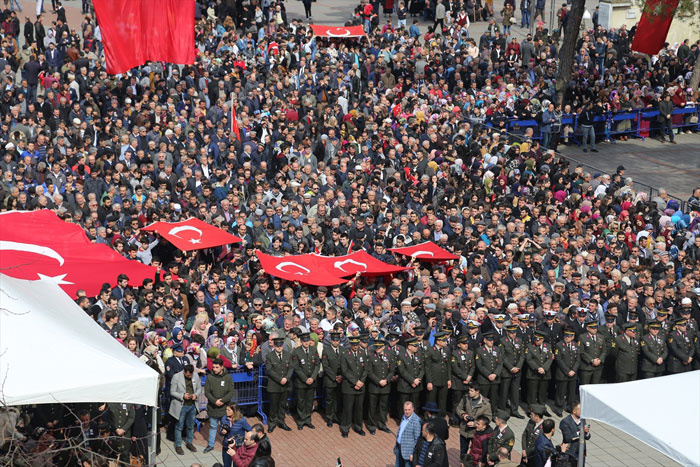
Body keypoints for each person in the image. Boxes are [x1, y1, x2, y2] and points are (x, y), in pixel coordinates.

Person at [203, 358, 237, 453]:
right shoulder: (209, 377)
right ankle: (210, 444)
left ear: (222, 367)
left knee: (225, 426)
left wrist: (222, 401)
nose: (214, 369)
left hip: (224, 408)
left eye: (217, 367)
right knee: (213, 426)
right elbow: (207, 392)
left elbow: (231, 391)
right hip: (213, 407)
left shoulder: (228, 377)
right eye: (213, 367)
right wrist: (215, 401)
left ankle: (227, 443)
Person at [291, 326, 320, 430]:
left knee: (309, 401)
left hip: (312, 381)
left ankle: (308, 420)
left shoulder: (313, 349)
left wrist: (312, 377)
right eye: (304, 341)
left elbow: (317, 364)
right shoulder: (297, 351)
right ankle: (301, 420)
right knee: (301, 402)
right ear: (301, 341)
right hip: (301, 381)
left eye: (308, 340)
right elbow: (296, 367)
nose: (306, 343)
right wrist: (305, 379)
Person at [169, 364, 202, 455]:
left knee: (191, 426)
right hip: (181, 405)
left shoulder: (195, 375)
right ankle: (178, 445)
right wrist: (182, 396)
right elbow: (172, 392)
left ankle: (189, 443)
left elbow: (199, 388)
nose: (189, 376)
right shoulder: (176, 377)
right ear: (184, 372)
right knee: (179, 426)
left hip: (192, 405)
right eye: (187, 375)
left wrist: (196, 394)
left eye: (190, 375)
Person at [340, 335, 368, 437]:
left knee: (359, 409)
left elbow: (366, 369)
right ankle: (345, 428)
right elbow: (344, 371)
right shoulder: (345, 354)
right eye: (353, 344)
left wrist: (361, 381)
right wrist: (355, 382)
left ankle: (358, 427)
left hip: (360, 386)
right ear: (350, 344)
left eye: (357, 344)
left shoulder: (362, 353)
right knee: (348, 409)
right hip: (349, 386)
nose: (355, 346)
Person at [264, 334, 293, 432]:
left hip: (285, 384)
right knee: (273, 405)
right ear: (274, 346)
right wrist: (280, 379)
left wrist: (287, 378)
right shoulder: (269, 356)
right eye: (277, 346)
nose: (279, 347)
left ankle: (281, 421)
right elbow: (270, 370)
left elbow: (291, 368)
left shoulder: (287, 355)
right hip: (274, 384)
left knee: (282, 404)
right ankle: (272, 423)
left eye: (280, 346)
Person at [455, 382, 493, 457]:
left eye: (471, 391)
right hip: (464, 430)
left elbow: (488, 418)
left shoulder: (485, 404)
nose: (469, 392)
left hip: (476, 432)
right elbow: (458, 408)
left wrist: (475, 424)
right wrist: (463, 415)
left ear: (477, 391)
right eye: (469, 390)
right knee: (463, 450)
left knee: (475, 451)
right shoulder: (465, 398)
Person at [367, 339, 395, 434]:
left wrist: (386, 380)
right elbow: (369, 372)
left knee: (383, 407)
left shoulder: (389, 356)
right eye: (376, 347)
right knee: (372, 407)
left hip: (385, 386)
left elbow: (392, 371)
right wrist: (378, 381)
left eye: (379, 347)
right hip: (374, 386)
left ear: (384, 347)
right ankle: (371, 425)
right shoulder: (371, 357)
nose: (377, 349)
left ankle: (382, 424)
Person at [553, 329, 580, 416]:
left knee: (571, 392)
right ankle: (559, 408)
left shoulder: (575, 345)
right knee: (561, 392)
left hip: (573, 373)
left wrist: (574, 370)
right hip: (563, 373)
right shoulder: (559, 345)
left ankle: (569, 407)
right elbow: (559, 360)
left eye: (569, 336)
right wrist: (567, 371)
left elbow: (578, 359)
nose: (567, 338)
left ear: (573, 337)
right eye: (565, 336)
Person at [321, 329, 344, 427]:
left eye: (337, 340)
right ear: (331, 340)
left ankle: (337, 416)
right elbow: (326, 366)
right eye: (334, 340)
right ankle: (329, 417)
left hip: (341, 379)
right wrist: (334, 377)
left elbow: (345, 364)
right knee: (330, 399)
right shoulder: (326, 350)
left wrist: (341, 376)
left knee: (339, 399)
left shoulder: (343, 350)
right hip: (330, 379)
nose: (335, 342)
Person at [395, 401, 422, 467]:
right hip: (399, 448)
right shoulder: (404, 417)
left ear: (413, 409)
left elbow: (417, 439)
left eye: (409, 410)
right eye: (405, 410)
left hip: (408, 452)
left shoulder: (416, 421)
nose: (407, 412)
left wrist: (413, 453)